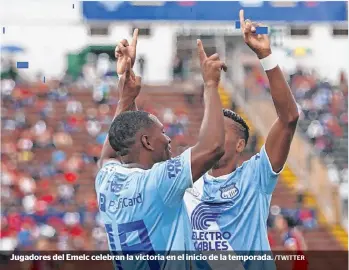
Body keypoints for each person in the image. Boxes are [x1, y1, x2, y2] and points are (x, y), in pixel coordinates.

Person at [95, 28, 227, 270]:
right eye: (162, 133)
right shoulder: (158, 183)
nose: (168, 140)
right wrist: (210, 84)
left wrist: (126, 91)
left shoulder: (107, 178)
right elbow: (214, 147)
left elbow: (109, 152)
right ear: (146, 142)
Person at [184, 10, 300, 270]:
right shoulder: (185, 183)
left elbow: (289, 118)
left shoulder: (255, 175)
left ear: (240, 145)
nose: (212, 134)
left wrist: (265, 56)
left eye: (221, 131)